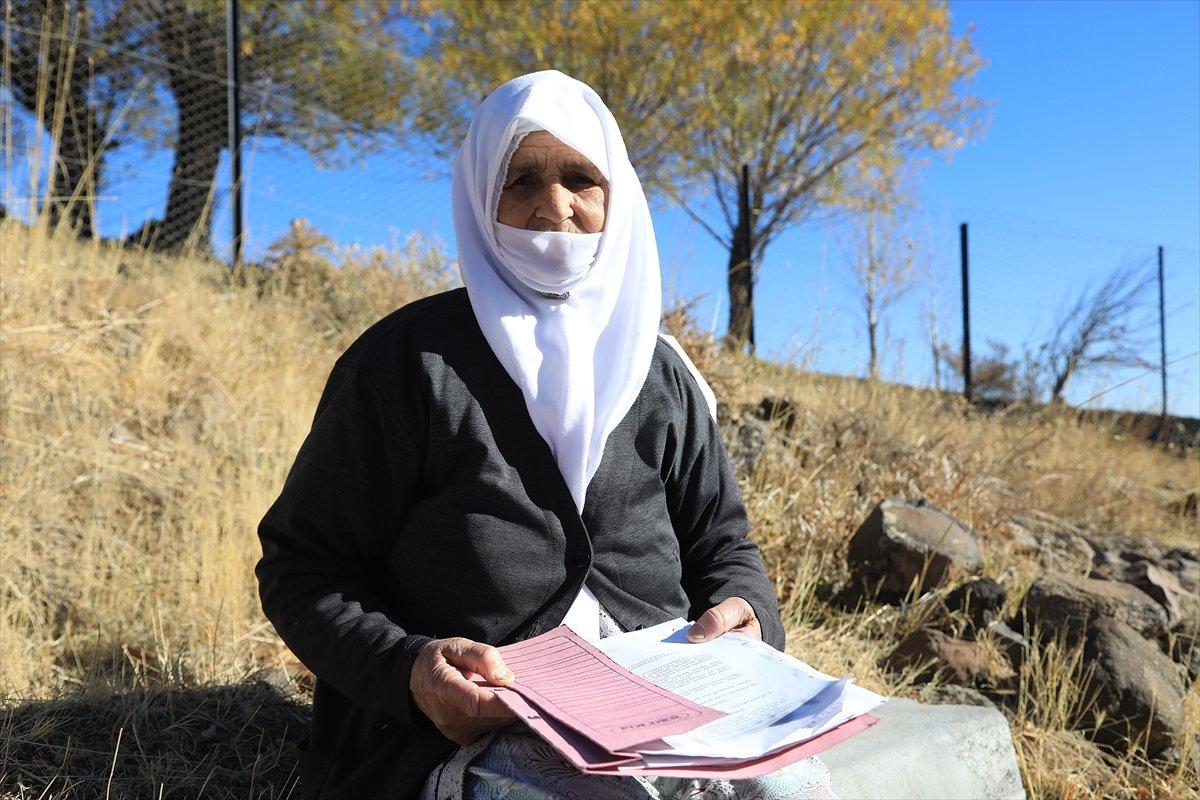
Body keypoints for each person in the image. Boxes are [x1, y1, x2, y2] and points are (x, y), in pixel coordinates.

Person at [255, 70, 832, 800]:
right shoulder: (407, 365)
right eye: (520, 179)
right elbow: (302, 569)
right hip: (469, 739)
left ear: (615, 196)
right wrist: (410, 669)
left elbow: (723, 544)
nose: (553, 207)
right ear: (477, 194)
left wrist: (749, 614)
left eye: (580, 178)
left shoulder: (660, 374)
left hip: (678, 715)